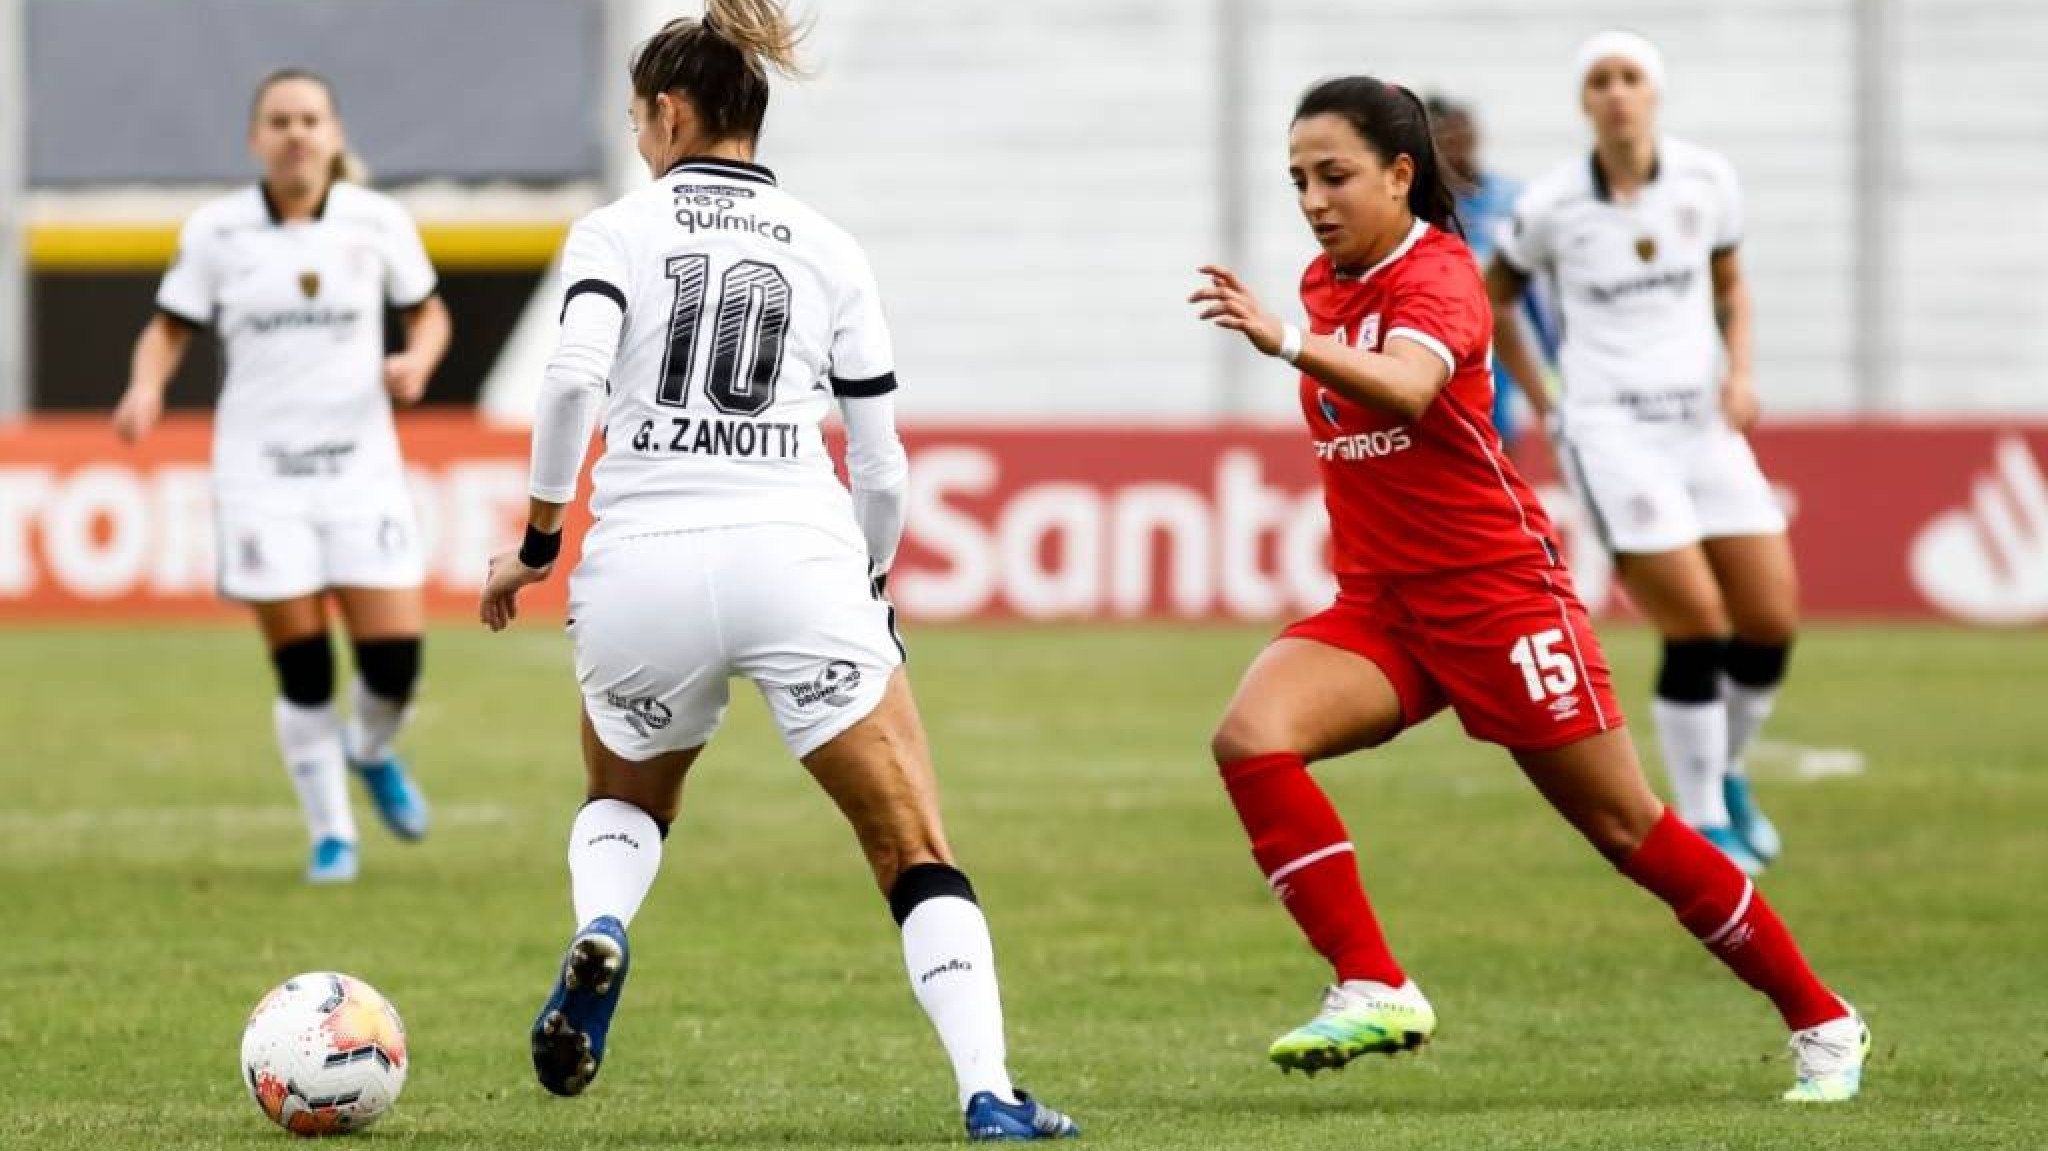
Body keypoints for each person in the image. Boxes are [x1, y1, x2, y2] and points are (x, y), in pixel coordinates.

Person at [1188, 74, 1866, 1102]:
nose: (1314, 199)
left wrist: (1282, 338)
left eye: (1334, 175)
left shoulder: (1440, 278)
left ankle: (1821, 1018)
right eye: (1297, 181)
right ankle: (1372, 980)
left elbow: (1412, 387)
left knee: (1624, 828)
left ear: (1399, 174)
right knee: (1249, 737)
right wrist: (1297, 326)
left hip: (1496, 601)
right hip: (1382, 605)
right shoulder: (1327, 284)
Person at [475, 2, 1077, 1139]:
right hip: (796, 558)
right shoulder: (828, 244)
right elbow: (885, 464)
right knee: (911, 851)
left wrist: (539, 545)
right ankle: (988, 1092)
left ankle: (603, 925)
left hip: (640, 565)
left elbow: (565, 387)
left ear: (667, 111)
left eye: (639, 119)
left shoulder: (617, 229)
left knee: (625, 799)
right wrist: (876, 589)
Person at [114, 69, 447, 884]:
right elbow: (167, 330)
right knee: (304, 668)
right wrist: (147, 384)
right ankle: (333, 834)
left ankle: (368, 749)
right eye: (280, 120)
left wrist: (420, 359)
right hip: (261, 477)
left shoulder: (376, 222)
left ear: (333, 134)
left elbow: (429, 312)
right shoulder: (218, 232)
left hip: (360, 472)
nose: (296, 133)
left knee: (395, 664)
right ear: (255, 138)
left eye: (310, 119)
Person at [1486, 32, 1793, 875]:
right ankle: (1701, 823)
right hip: (1613, 432)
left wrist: (1742, 372)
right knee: (1695, 621)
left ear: (1653, 94)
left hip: (1702, 424)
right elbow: (1494, 296)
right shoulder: (1551, 206)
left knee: (1769, 621)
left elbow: (1732, 285)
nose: (1617, 93)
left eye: (1630, 78)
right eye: (1600, 81)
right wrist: (1545, 395)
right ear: (1585, 103)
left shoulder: (1707, 181)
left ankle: (1724, 772)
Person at [1427, 94, 1561, 454]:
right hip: (1444, 351)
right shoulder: (1425, 208)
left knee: (1501, 440)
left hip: (1505, 345)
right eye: (1442, 135)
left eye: (1460, 130)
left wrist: (1552, 354)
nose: (1454, 141)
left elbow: (1538, 287)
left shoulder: (1513, 199)